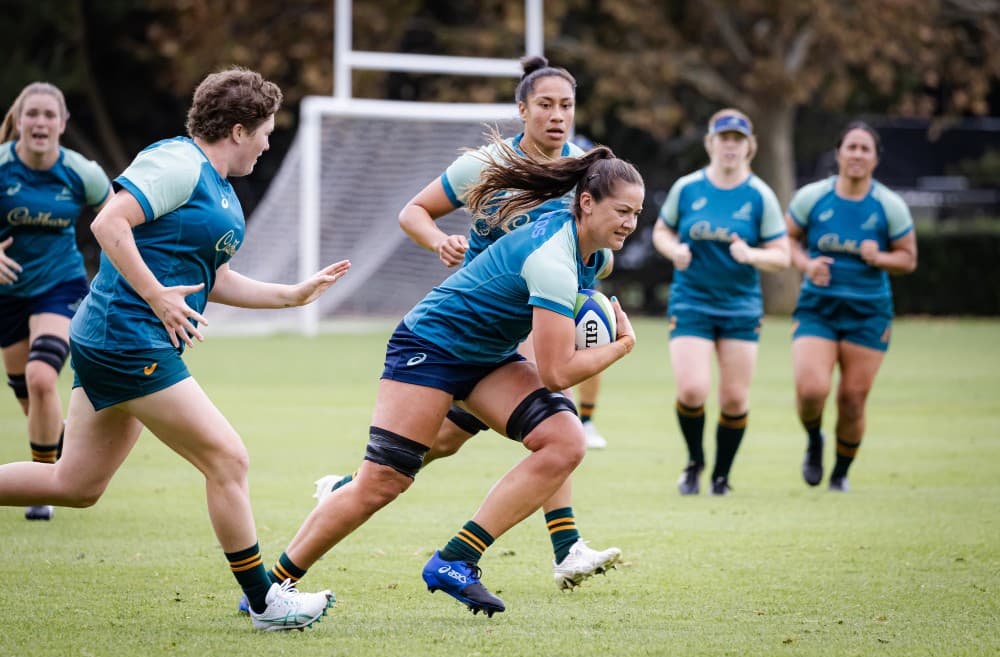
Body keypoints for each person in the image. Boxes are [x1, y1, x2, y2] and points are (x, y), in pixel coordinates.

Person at [0, 67, 348, 631]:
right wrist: (157, 295)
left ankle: (265, 601)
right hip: (125, 335)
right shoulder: (178, 162)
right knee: (228, 458)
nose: (267, 142)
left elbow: (219, 279)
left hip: (118, 336)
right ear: (238, 130)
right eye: (265, 131)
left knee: (76, 485)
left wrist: (291, 295)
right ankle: (266, 601)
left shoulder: (219, 187)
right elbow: (109, 224)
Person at [267, 139, 641, 618]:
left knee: (564, 441)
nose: (630, 223)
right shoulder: (553, 261)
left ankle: (456, 559)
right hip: (431, 344)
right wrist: (620, 346)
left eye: (637, 212)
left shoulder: (587, 251)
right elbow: (555, 373)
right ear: (586, 203)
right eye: (622, 211)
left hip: (487, 356)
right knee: (383, 481)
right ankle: (270, 588)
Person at [310, 56, 621, 593]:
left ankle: (565, 547)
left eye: (566, 105)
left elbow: (590, 241)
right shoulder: (487, 165)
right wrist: (439, 240)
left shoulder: (584, 175)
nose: (557, 116)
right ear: (522, 109)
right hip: (472, 318)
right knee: (510, 424)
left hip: (528, 316)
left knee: (519, 427)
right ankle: (349, 488)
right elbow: (414, 211)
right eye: (544, 105)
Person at [652, 109, 789, 496]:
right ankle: (695, 462)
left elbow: (782, 256)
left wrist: (753, 255)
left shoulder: (760, 195)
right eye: (724, 138)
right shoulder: (688, 188)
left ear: (750, 146)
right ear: (711, 143)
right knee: (693, 390)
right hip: (691, 301)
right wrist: (673, 249)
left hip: (740, 306)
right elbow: (662, 230)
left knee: (733, 398)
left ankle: (721, 477)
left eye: (738, 139)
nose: (731, 145)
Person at [0, 82, 112, 521]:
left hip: (61, 285)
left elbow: (119, 221)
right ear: (21, 120)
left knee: (43, 378)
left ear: (62, 124)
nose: (41, 123)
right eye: (33, 114)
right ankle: (55, 441)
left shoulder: (83, 172)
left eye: (50, 115)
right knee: (28, 394)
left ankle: (43, 483)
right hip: (7, 294)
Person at [787, 121, 917, 492]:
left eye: (865, 149)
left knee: (853, 400)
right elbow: (788, 241)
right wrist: (807, 264)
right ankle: (814, 442)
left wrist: (881, 258)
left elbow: (908, 259)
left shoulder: (888, 205)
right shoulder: (812, 197)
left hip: (868, 313)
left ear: (875, 159)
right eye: (852, 147)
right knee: (812, 390)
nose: (857, 155)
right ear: (839, 153)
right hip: (818, 309)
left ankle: (841, 474)